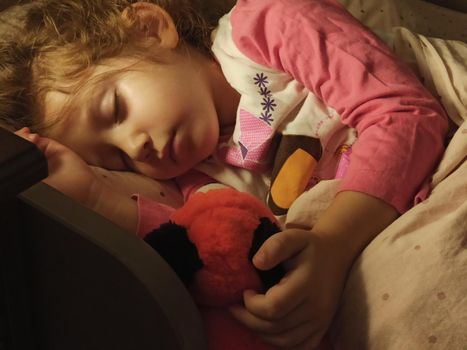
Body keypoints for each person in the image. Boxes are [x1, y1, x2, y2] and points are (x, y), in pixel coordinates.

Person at [1, 0, 448, 348]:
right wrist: (94, 196)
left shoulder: (263, 26)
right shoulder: (199, 181)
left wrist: (331, 246)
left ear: (149, 29)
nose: (135, 147)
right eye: (117, 160)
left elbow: (405, 114)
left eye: (115, 109)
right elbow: (216, 255)